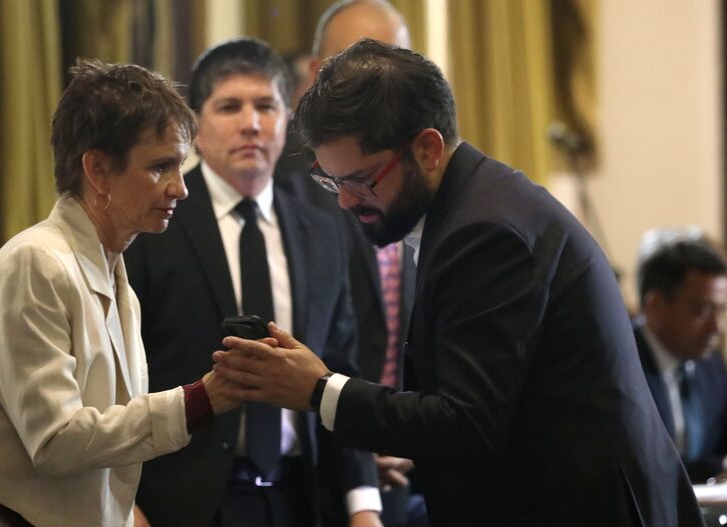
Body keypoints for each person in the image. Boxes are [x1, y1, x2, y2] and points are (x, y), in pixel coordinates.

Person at [212, 39, 706, 526]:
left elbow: (465, 423)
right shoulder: (469, 205)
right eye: (331, 181)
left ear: (427, 149)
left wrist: (319, 390)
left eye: (360, 181)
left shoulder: (485, 231)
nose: (345, 202)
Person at [0, 59, 237, 527]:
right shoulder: (35, 263)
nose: (181, 188)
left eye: (181, 166)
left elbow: (101, 453)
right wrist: (199, 401)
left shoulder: (114, 276)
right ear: (97, 168)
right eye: (161, 167)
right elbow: (56, 442)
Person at [124, 37, 381, 527]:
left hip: (301, 496)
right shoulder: (154, 222)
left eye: (266, 105)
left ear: (288, 121)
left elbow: (342, 369)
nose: (251, 123)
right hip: (180, 502)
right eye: (229, 107)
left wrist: (362, 503)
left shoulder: (324, 226)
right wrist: (124, 507)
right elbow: (117, 376)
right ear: (195, 127)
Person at [274, 5, 424, 525]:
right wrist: (360, 443)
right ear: (317, 76)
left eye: (396, 63)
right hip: (319, 477)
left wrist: (402, 429)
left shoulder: (419, 167)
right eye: (364, 68)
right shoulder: (282, 188)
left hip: (408, 468)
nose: (386, 86)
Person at [633, 227, 727, 484]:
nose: (715, 328)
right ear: (656, 306)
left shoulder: (710, 363)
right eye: (701, 310)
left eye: (719, 311)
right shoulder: (621, 369)